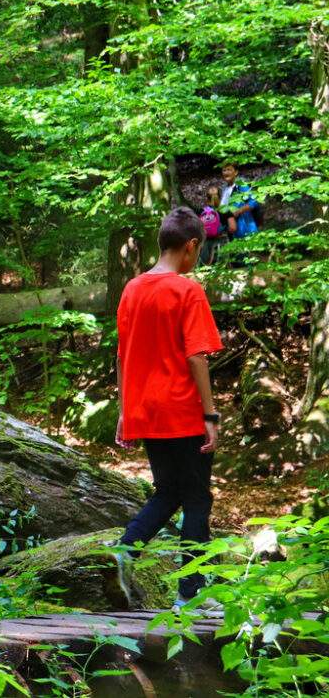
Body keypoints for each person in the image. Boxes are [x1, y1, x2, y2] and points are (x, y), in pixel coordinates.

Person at [113, 206, 224, 610]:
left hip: (147, 410)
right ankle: (190, 594)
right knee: (196, 499)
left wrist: (126, 411)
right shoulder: (187, 290)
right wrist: (209, 415)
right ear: (191, 246)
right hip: (181, 410)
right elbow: (197, 357)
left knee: (168, 492)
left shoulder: (132, 289)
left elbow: (123, 355)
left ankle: (124, 554)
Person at [220, 163, 261, 239]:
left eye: (229, 169)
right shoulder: (224, 189)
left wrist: (239, 211)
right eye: (224, 170)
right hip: (233, 232)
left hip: (246, 229)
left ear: (235, 172)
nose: (226, 172)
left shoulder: (241, 186)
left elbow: (254, 201)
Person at [199, 186, 227, 265]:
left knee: (205, 267)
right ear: (220, 197)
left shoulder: (202, 211)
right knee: (219, 266)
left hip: (205, 241)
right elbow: (231, 227)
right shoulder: (224, 210)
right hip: (220, 241)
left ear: (207, 198)